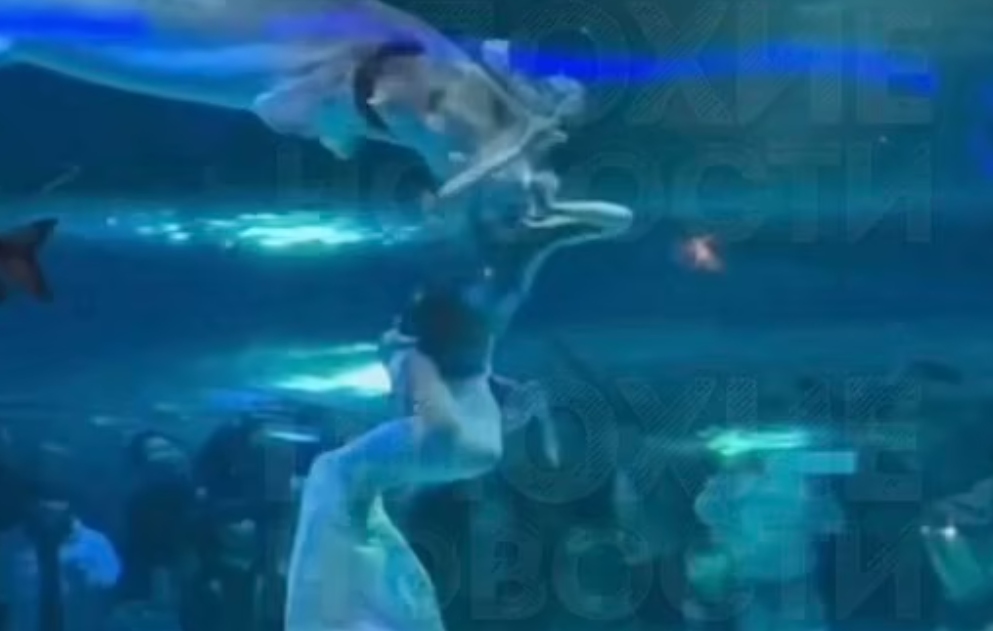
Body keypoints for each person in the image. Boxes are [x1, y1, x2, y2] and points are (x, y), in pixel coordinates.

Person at [0, 481, 120, 631]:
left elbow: (112, 598)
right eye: (41, 501)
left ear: (70, 506)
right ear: (29, 504)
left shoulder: (96, 545)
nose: (47, 508)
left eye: (55, 502)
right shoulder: (7, 545)